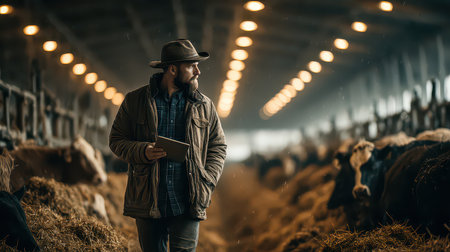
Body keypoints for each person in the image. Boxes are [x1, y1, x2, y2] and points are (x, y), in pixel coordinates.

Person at [109, 39, 227, 252]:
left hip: (188, 200)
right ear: (172, 69)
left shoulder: (204, 105)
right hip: (149, 200)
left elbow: (218, 146)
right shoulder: (135, 101)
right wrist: (143, 151)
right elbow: (116, 140)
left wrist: (207, 179)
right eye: (192, 66)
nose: (198, 71)